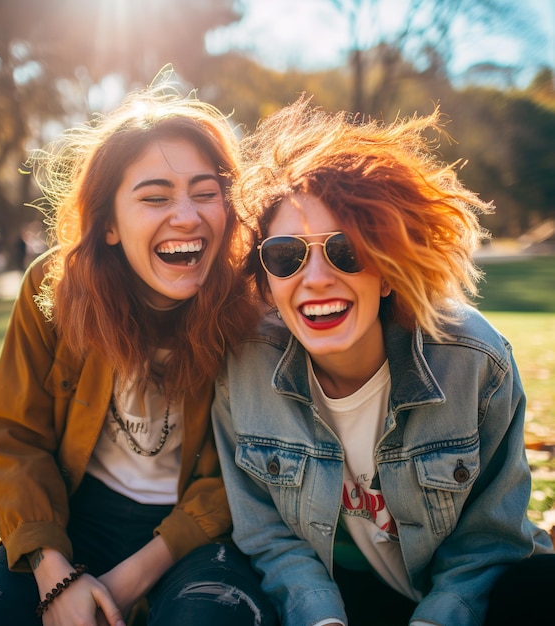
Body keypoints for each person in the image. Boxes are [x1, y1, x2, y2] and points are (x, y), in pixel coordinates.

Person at [0, 72, 276, 626]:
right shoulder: (54, 289)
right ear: (109, 224)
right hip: (68, 517)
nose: (186, 215)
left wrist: (126, 581)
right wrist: (54, 572)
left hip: (196, 533)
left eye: (206, 194)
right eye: (155, 197)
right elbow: (14, 436)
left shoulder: (252, 309)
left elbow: (250, 471)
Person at [211, 97, 555, 626]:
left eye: (346, 251)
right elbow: (267, 535)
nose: (316, 278)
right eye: (286, 255)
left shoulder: (476, 364)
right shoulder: (245, 366)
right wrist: (322, 619)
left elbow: (489, 542)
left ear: (389, 270)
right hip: (333, 598)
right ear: (268, 281)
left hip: (450, 598)